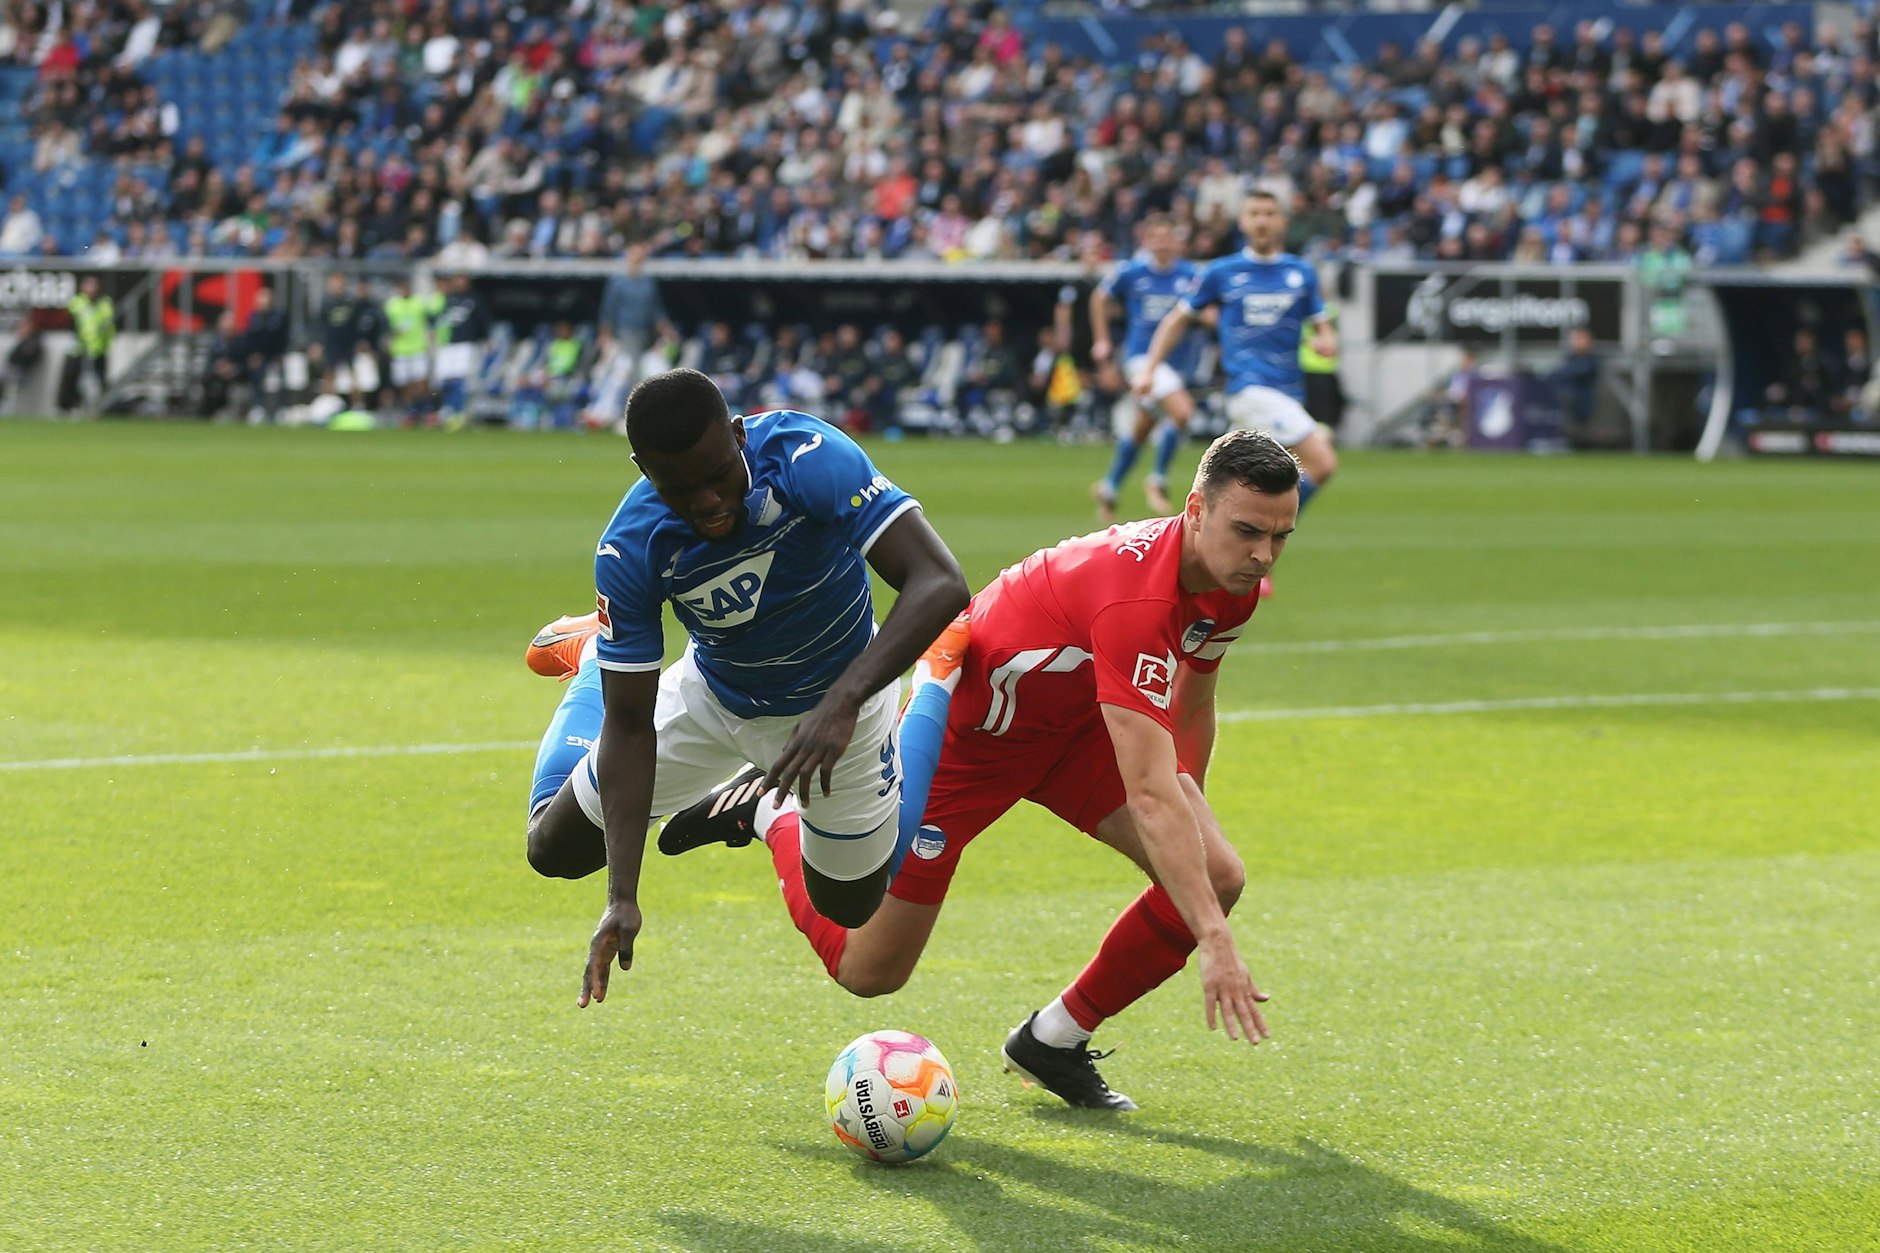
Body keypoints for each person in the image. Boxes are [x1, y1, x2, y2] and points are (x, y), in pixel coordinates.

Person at [660, 429, 1294, 1111]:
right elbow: (1148, 793)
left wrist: (1192, 815)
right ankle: (770, 811)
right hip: (968, 738)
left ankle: (1053, 1040)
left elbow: (1192, 701)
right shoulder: (1135, 598)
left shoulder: (1231, 584)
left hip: (1076, 731)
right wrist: (1212, 935)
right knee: (870, 969)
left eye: (1279, 536)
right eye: (1247, 531)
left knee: (1213, 873)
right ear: (1195, 510)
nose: (1262, 554)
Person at [520, 368, 970, 1010]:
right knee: (552, 850)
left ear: (738, 436)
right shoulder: (631, 546)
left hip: (845, 695)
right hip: (713, 697)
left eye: (718, 476)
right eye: (680, 489)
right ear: (644, 471)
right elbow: (628, 725)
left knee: (850, 904)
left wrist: (843, 702)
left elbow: (939, 580)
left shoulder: (807, 457)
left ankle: (761, 804)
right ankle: (600, 653)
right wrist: (623, 895)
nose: (707, 502)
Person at [1138, 192, 1339, 514]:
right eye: (1254, 213)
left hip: (1288, 391)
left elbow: (1322, 324)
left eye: (1269, 213)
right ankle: (1262, 530)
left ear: (1283, 222)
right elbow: (1177, 319)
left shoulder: (1301, 272)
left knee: (1252, 484)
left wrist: (1326, 341)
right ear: (1242, 222)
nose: (1262, 221)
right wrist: (1150, 369)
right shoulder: (1222, 272)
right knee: (1322, 462)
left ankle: (1234, 532)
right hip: (1249, 389)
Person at [1089, 213, 1203, 522]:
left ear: (1176, 241)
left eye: (1168, 237)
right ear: (1147, 241)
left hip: (1177, 362)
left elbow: (1206, 309)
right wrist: (1102, 341)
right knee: (1182, 412)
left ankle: (1109, 487)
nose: (1163, 243)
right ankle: (1157, 480)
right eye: (1157, 237)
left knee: (1145, 424)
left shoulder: (1190, 274)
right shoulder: (1132, 272)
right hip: (1141, 359)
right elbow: (1099, 298)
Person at [431, 273, 491, 430]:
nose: (459, 283)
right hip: (447, 344)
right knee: (444, 380)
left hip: (466, 344)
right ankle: (446, 410)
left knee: (460, 380)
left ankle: (459, 412)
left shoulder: (474, 299)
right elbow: (435, 319)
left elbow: (483, 319)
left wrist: (486, 338)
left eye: (462, 280)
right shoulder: (446, 299)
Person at [62, 274, 116, 413]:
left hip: (99, 347)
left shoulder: (104, 302)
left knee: (99, 378)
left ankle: (101, 407)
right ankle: (72, 406)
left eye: (92, 285)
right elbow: (73, 322)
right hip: (81, 347)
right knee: (73, 377)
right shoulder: (77, 302)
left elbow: (108, 323)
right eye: (87, 285)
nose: (90, 288)